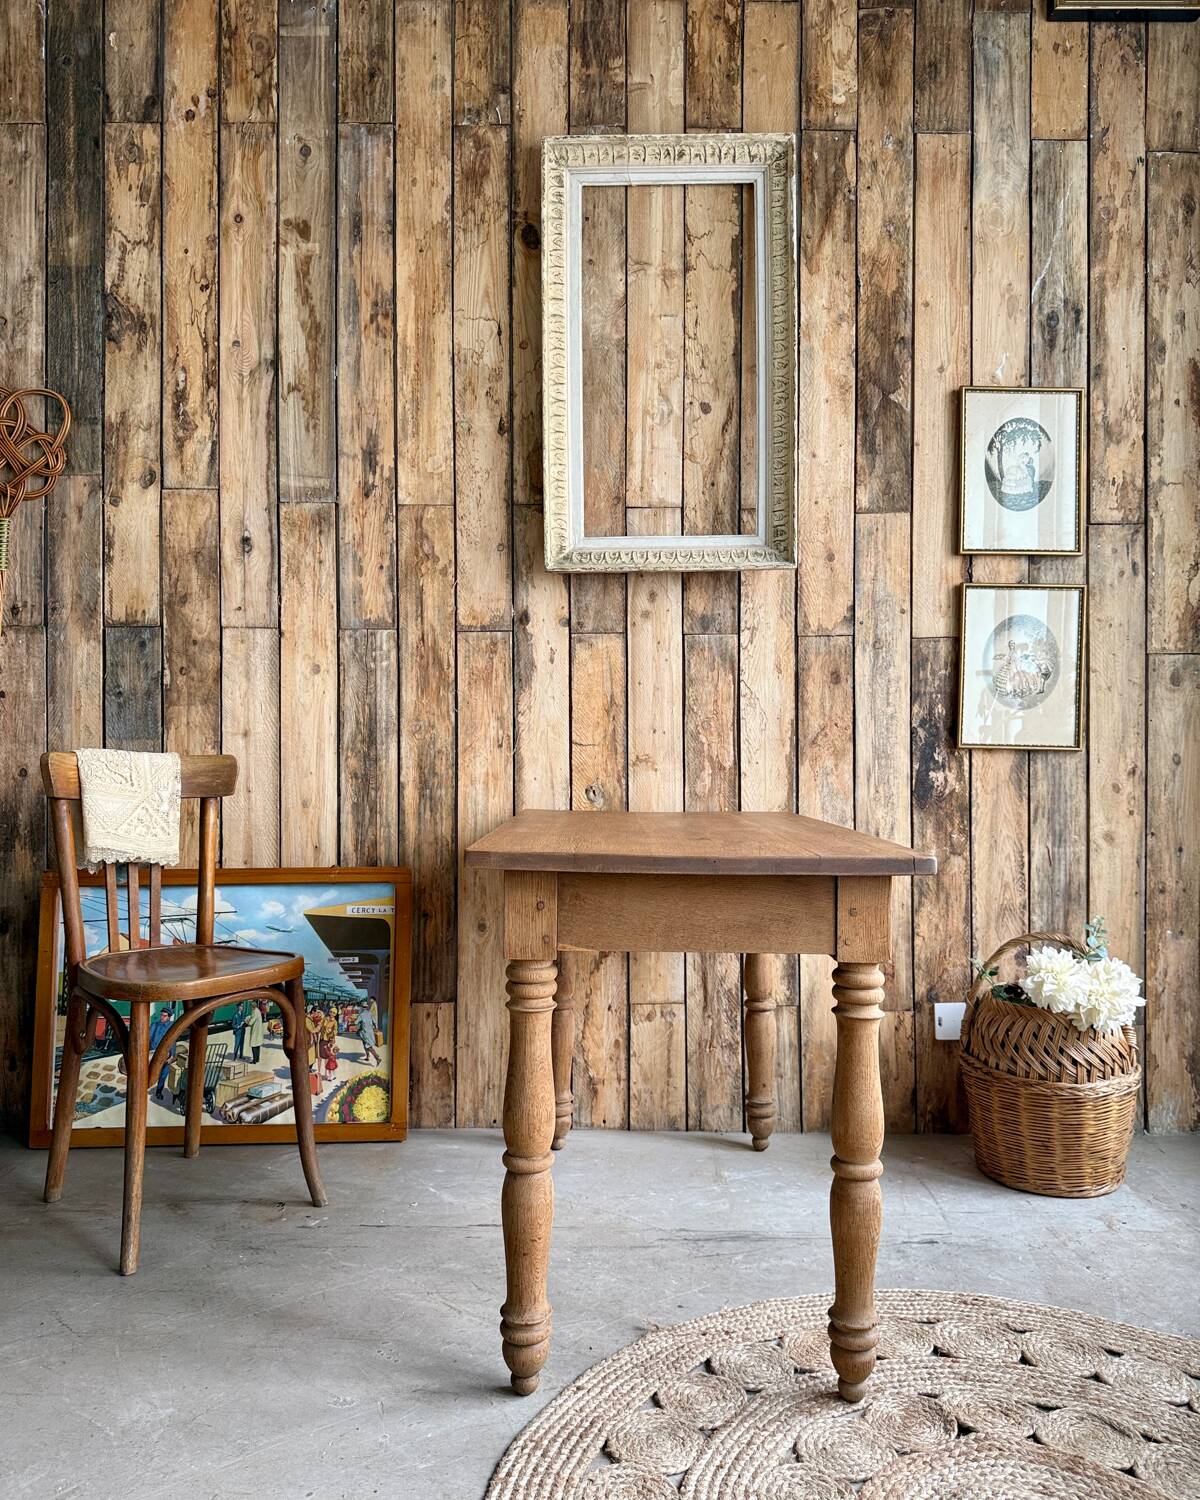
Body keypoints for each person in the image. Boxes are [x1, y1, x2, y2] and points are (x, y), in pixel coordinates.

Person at [148, 1006, 175, 1100]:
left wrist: (172, 1055)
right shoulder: (154, 1025)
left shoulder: (171, 1026)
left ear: (169, 1017)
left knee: (163, 1074)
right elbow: (148, 1038)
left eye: (165, 1016)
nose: (162, 1017)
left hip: (165, 1055)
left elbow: (172, 1041)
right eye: (161, 1015)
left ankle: (159, 1091)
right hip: (152, 1053)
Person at [356, 1000, 381, 1068]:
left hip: (364, 1033)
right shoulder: (370, 1013)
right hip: (370, 1032)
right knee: (365, 1044)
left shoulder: (361, 1015)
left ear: (361, 1007)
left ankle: (377, 1058)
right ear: (366, 1007)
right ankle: (367, 1056)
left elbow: (356, 1022)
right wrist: (376, 1028)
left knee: (368, 1046)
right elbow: (375, 1022)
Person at [319, 1007, 339, 1081]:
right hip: (323, 1039)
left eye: (334, 1013)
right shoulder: (325, 1019)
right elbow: (321, 1026)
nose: (332, 1014)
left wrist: (332, 1032)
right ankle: (324, 1073)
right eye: (331, 1012)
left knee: (328, 1058)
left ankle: (328, 1074)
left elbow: (336, 1030)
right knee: (322, 1056)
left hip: (329, 1040)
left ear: (335, 1014)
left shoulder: (335, 1022)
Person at [245, 999, 264, 1065]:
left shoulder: (254, 1011)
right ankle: (257, 1059)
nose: (250, 1007)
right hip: (258, 1031)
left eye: (251, 1006)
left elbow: (251, 1023)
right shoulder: (258, 1011)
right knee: (257, 1046)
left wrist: (246, 1020)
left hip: (255, 1031)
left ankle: (254, 1060)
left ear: (252, 1006)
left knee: (254, 1045)